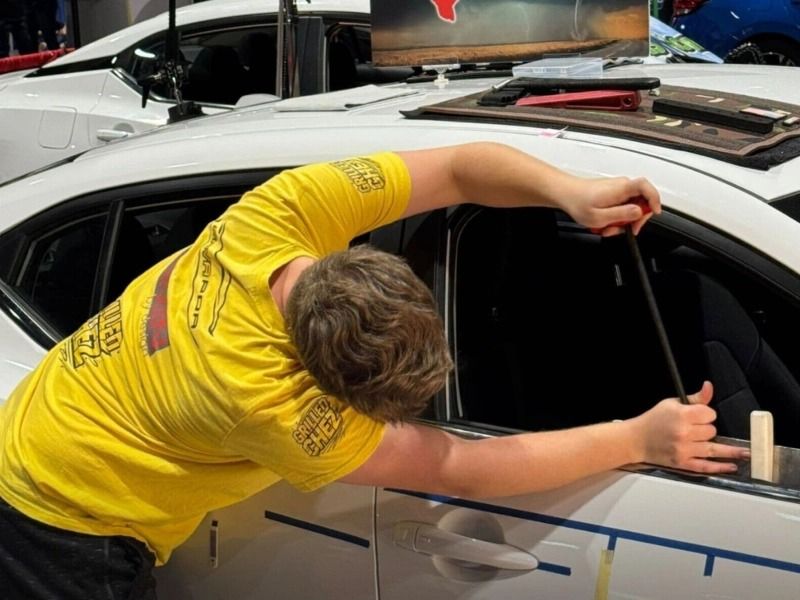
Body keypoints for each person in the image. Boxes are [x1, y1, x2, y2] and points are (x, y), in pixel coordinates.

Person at [0, 142, 749, 598]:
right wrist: (639, 441)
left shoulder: (284, 210)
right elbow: (458, 466)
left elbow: (458, 167)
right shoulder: (271, 407)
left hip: (41, 419)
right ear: (317, 381)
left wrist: (570, 191)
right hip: (63, 524)